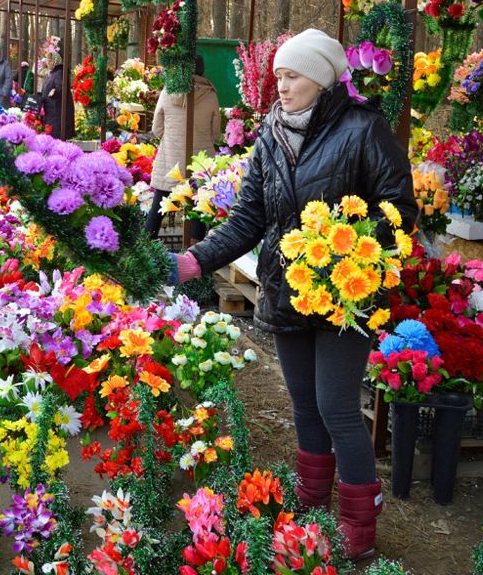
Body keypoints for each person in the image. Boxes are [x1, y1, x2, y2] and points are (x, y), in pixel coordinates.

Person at [169, 29, 417, 560]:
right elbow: (250, 216)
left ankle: (357, 521)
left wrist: (342, 251)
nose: (281, 85)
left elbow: (400, 208)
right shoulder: (271, 133)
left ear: (322, 77)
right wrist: (196, 260)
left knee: (337, 407)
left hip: (345, 297)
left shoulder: (364, 128)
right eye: (278, 75)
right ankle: (311, 494)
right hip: (289, 292)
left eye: (293, 75)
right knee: (304, 402)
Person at [145, 54, 221, 241]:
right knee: (197, 207)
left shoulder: (167, 92)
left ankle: (146, 247)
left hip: (170, 160)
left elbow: (156, 129)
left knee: (159, 205)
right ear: (202, 70)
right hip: (200, 162)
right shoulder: (210, 95)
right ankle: (193, 253)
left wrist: (171, 139)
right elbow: (216, 133)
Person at [39, 56, 73, 139]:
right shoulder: (53, 73)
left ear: (56, 60)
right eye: (48, 60)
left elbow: (62, 88)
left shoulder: (59, 72)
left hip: (57, 110)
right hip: (51, 110)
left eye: (51, 60)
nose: (49, 62)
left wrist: (54, 93)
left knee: (56, 135)